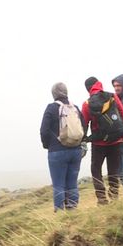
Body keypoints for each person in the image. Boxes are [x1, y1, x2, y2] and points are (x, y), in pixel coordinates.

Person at [82, 77, 123, 205]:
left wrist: (83, 141)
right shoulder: (112, 96)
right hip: (116, 141)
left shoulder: (87, 104)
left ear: (88, 89)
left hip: (99, 143)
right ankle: (114, 197)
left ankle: (102, 199)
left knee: (96, 169)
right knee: (113, 170)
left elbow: (84, 125)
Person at [40, 82, 86, 211]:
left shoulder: (51, 108)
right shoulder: (75, 108)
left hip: (57, 152)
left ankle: (60, 214)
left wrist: (47, 145)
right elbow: (83, 126)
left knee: (58, 184)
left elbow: (44, 130)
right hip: (75, 151)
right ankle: (73, 210)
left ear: (53, 94)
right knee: (72, 183)